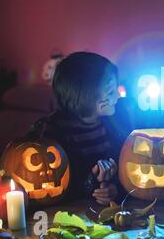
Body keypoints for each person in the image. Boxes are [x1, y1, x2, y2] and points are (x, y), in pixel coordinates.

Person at [41, 52, 127, 205]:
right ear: (86, 96)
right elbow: (59, 185)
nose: (117, 97)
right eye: (110, 92)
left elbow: (127, 165)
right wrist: (92, 182)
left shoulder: (114, 123)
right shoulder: (56, 132)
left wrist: (114, 188)